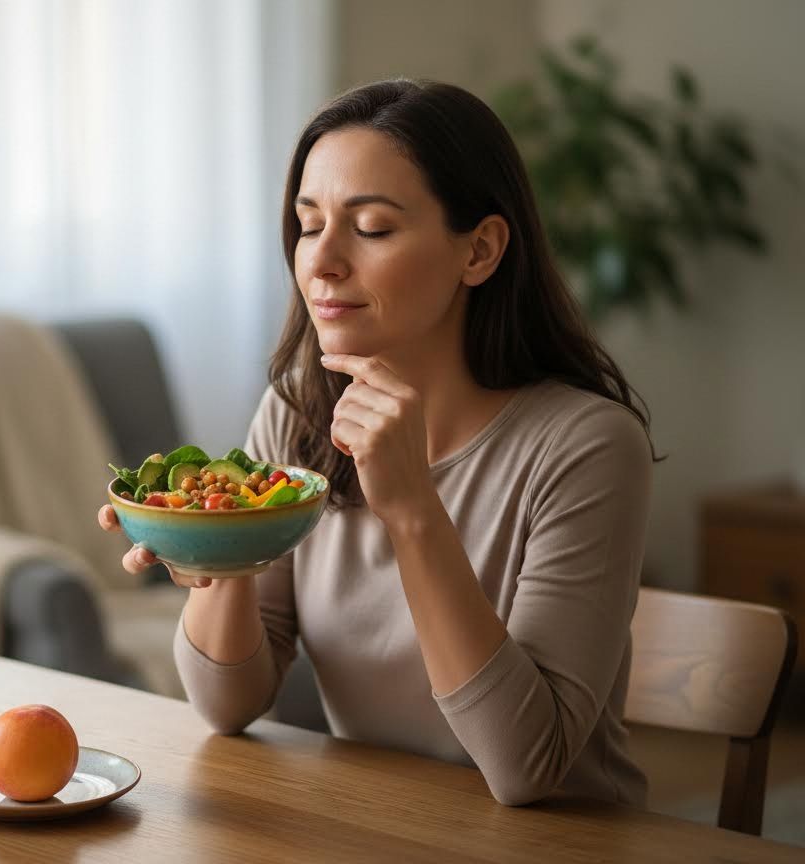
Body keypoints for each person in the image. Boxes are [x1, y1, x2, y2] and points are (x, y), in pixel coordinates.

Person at [98, 79, 657, 807]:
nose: (322, 262)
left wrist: (414, 512)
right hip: (375, 831)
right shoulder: (298, 416)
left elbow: (525, 766)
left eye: (372, 229)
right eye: (308, 224)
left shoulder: (586, 447)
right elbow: (226, 705)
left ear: (480, 251)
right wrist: (218, 541)